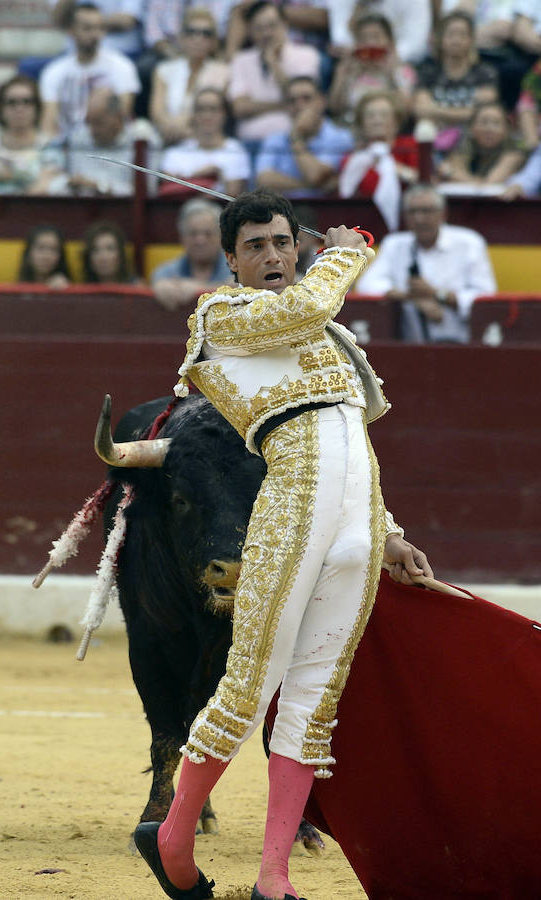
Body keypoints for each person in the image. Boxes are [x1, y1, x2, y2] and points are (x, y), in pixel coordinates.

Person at [134, 186, 433, 900]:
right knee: (251, 685)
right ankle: (172, 837)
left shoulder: (331, 336)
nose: (272, 256)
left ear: (294, 247)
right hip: (291, 510)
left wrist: (387, 532)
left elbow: (351, 440)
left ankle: (274, 877)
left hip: (355, 528)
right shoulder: (224, 314)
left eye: (281, 242)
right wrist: (345, 256)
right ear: (232, 262)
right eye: (255, 247)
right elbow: (305, 306)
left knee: (312, 703)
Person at [356, 183, 497, 343]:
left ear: (443, 214)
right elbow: (366, 285)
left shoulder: (469, 242)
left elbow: (486, 298)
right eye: (412, 212)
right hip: (410, 347)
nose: (419, 218)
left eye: (426, 211)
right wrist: (411, 297)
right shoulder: (395, 244)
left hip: (462, 346)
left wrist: (437, 294)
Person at [39, 2, 140, 138]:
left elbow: (122, 115)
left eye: (99, 28)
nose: (95, 34)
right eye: (87, 28)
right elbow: (49, 124)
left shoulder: (122, 66)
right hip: (67, 149)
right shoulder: (54, 72)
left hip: (108, 144)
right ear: (71, 30)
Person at [227, 1, 320, 147]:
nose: (267, 33)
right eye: (259, 28)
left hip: (291, 142)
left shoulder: (307, 55)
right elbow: (240, 108)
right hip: (250, 142)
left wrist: (273, 63)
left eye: (272, 26)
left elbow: (300, 101)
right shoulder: (240, 60)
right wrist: (283, 106)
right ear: (250, 31)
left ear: (285, 24)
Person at [0, 75, 65, 196]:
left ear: (37, 108)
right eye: (11, 102)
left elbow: (45, 186)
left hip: (34, 212)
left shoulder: (49, 147)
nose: (19, 108)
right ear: (0, 109)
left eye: (27, 102)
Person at [413, 11, 499, 154]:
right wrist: (463, 113)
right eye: (451, 34)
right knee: (424, 128)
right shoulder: (428, 71)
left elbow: (481, 115)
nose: (456, 40)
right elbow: (421, 110)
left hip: (472, 140)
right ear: (441, 39)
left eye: (462, 35)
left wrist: (436, 111)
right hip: (435, 136)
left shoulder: (484, 73)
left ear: (471, 40)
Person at [255, 75, 354, 196]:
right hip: (283, 209)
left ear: (321, 102)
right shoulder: (275, 139)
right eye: (292, 101)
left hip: (323, 210)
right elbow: (263, 180)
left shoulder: (341, 137)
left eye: (307, 99)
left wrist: (296, 138)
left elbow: (317, 176)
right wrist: (308, 186)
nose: (299, 106)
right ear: (287, 107)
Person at [338, 90, 419, 230]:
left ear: (396, 122)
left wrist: (397, 169)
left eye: (384, 115)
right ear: (361, 124)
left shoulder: (411, 146)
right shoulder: (353, 159)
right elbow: (348, 194)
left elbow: (424, 182)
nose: (377, 121)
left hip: (409, 224)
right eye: (370, 116)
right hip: (366, 225)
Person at [149, 7, 229, 146]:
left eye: (206, 33)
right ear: (182, 38)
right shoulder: (164, 69)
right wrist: (169, 128)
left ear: (213, 41)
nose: (198, 39)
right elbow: (157, 112)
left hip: (201, 141)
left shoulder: (223, 72)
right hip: (164, 137)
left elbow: (210, 112)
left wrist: (179, 130)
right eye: (191, 32)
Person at [66, 87, 161, 196]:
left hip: (124, 210)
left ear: (118, 116)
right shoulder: (78, 138)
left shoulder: (143, 139)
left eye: (98, 123)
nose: (92, 130)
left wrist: (100, 186)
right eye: (88, 122)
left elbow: (148, 191)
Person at [159, 88, 251, 197]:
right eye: (201, 109)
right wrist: (203, 176)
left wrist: (185, 180)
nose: (207, 115)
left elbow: (232, 196)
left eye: (213, 109)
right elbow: (166, 192)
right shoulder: (175, 152)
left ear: (224, 114)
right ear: (193, 114)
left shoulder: (236, 151)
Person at [328, 13, 416, 126]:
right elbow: (335, 108)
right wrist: (343, 77)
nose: (370, 43)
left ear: (390, 42)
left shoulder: (402, 71)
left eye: (376, 37)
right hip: (351, 129)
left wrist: (391, 76)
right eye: (363, 39)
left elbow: (407, 111)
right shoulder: (347, 69)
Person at [151, 198, 233, 310]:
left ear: (221, 237)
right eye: (193, 234)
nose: (200, 240)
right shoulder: (165, 272)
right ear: (182, 237)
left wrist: (198, 289)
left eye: (208, 233)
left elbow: (239, 290)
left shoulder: (237, 270)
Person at [437, 99, 524, 188]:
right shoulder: (463, 150)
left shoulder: (513, 155)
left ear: (506, 131)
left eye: (496, 123)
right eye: (484, 122)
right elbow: (448, 168)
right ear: (471, 128)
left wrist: (450, 174)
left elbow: (489, 185)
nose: (489, 129)